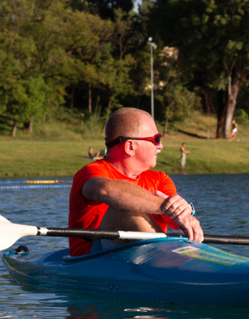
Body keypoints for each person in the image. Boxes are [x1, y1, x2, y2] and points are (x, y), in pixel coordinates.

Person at [68, 107, 203, 256]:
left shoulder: (160, 179)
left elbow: (175, 221)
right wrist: (165, 206)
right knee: (125, 209)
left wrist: (185, 214)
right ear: (130, 146)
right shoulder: (91, 172)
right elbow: (104, 190)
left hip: (147, 257)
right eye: (156, 139)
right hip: (91, 258)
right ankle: (171, 261)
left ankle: (171, 261)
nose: (160, 146)